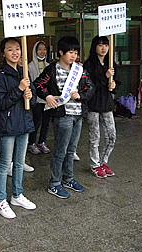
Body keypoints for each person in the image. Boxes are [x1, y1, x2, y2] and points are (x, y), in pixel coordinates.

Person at [34, 36, 94, 199]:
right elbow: (38, 84)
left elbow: (90, 88)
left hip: (78, 115)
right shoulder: (52, 69)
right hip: (63, 115)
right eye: (70, 52)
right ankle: (54, 183)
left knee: (71, 150)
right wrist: (47, 97)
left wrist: (80, 95)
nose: (73, 56)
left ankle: (68, 179)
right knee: (60, 151)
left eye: (75, 52)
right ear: (61, 52)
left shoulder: (79, 70)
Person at [0, 37, 37, 219]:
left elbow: (33, 99)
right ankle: (0, 200)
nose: (15, 52)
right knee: (5, 164)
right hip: (8, 125)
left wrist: (30, 94)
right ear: (3, 53)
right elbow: (1, 103)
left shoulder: (24, 71)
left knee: (19, 163)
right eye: (10, 49)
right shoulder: (0, 75)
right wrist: (19, 90)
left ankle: (17, 195)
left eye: (18, 48)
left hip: (24, 122)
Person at [83, 35, 117, 178]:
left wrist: (114, 85)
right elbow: (89, 85)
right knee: (95, 137)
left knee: (112, 136)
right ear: (94, 46)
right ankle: (95, 164)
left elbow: (116, 83)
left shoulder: (111, 63)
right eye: (100, 45)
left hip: (107, 104)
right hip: (93, 105)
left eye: (106, 45)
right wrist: (105, 75)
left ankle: (104, 162)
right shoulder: (89, 64)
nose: (103, 48)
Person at [28, 41, 51, 155]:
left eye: (44, 49)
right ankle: (31, 143)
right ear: (35, 51)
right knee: (36, 122)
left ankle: (42, 141)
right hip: (37, 99)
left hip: (48, 100)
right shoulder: (30, 66)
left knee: (46, 122)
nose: (42, 51)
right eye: (40, 49)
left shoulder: (49, 66)